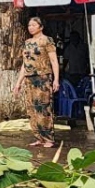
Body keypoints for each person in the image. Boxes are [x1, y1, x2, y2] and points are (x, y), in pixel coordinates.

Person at [13, 16, 60, 148]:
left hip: (43, 77)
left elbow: (54, 61)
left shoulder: (47, 40)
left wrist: (56, 79)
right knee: (32, 109)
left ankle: (49, 139)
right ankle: (39, 137)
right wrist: (18, 83)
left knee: (43, 108)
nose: (31, 27)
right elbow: (25, 64)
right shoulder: (27, 42)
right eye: (29, 25)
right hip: (29, 78)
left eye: (34, 25)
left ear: (41, 27)